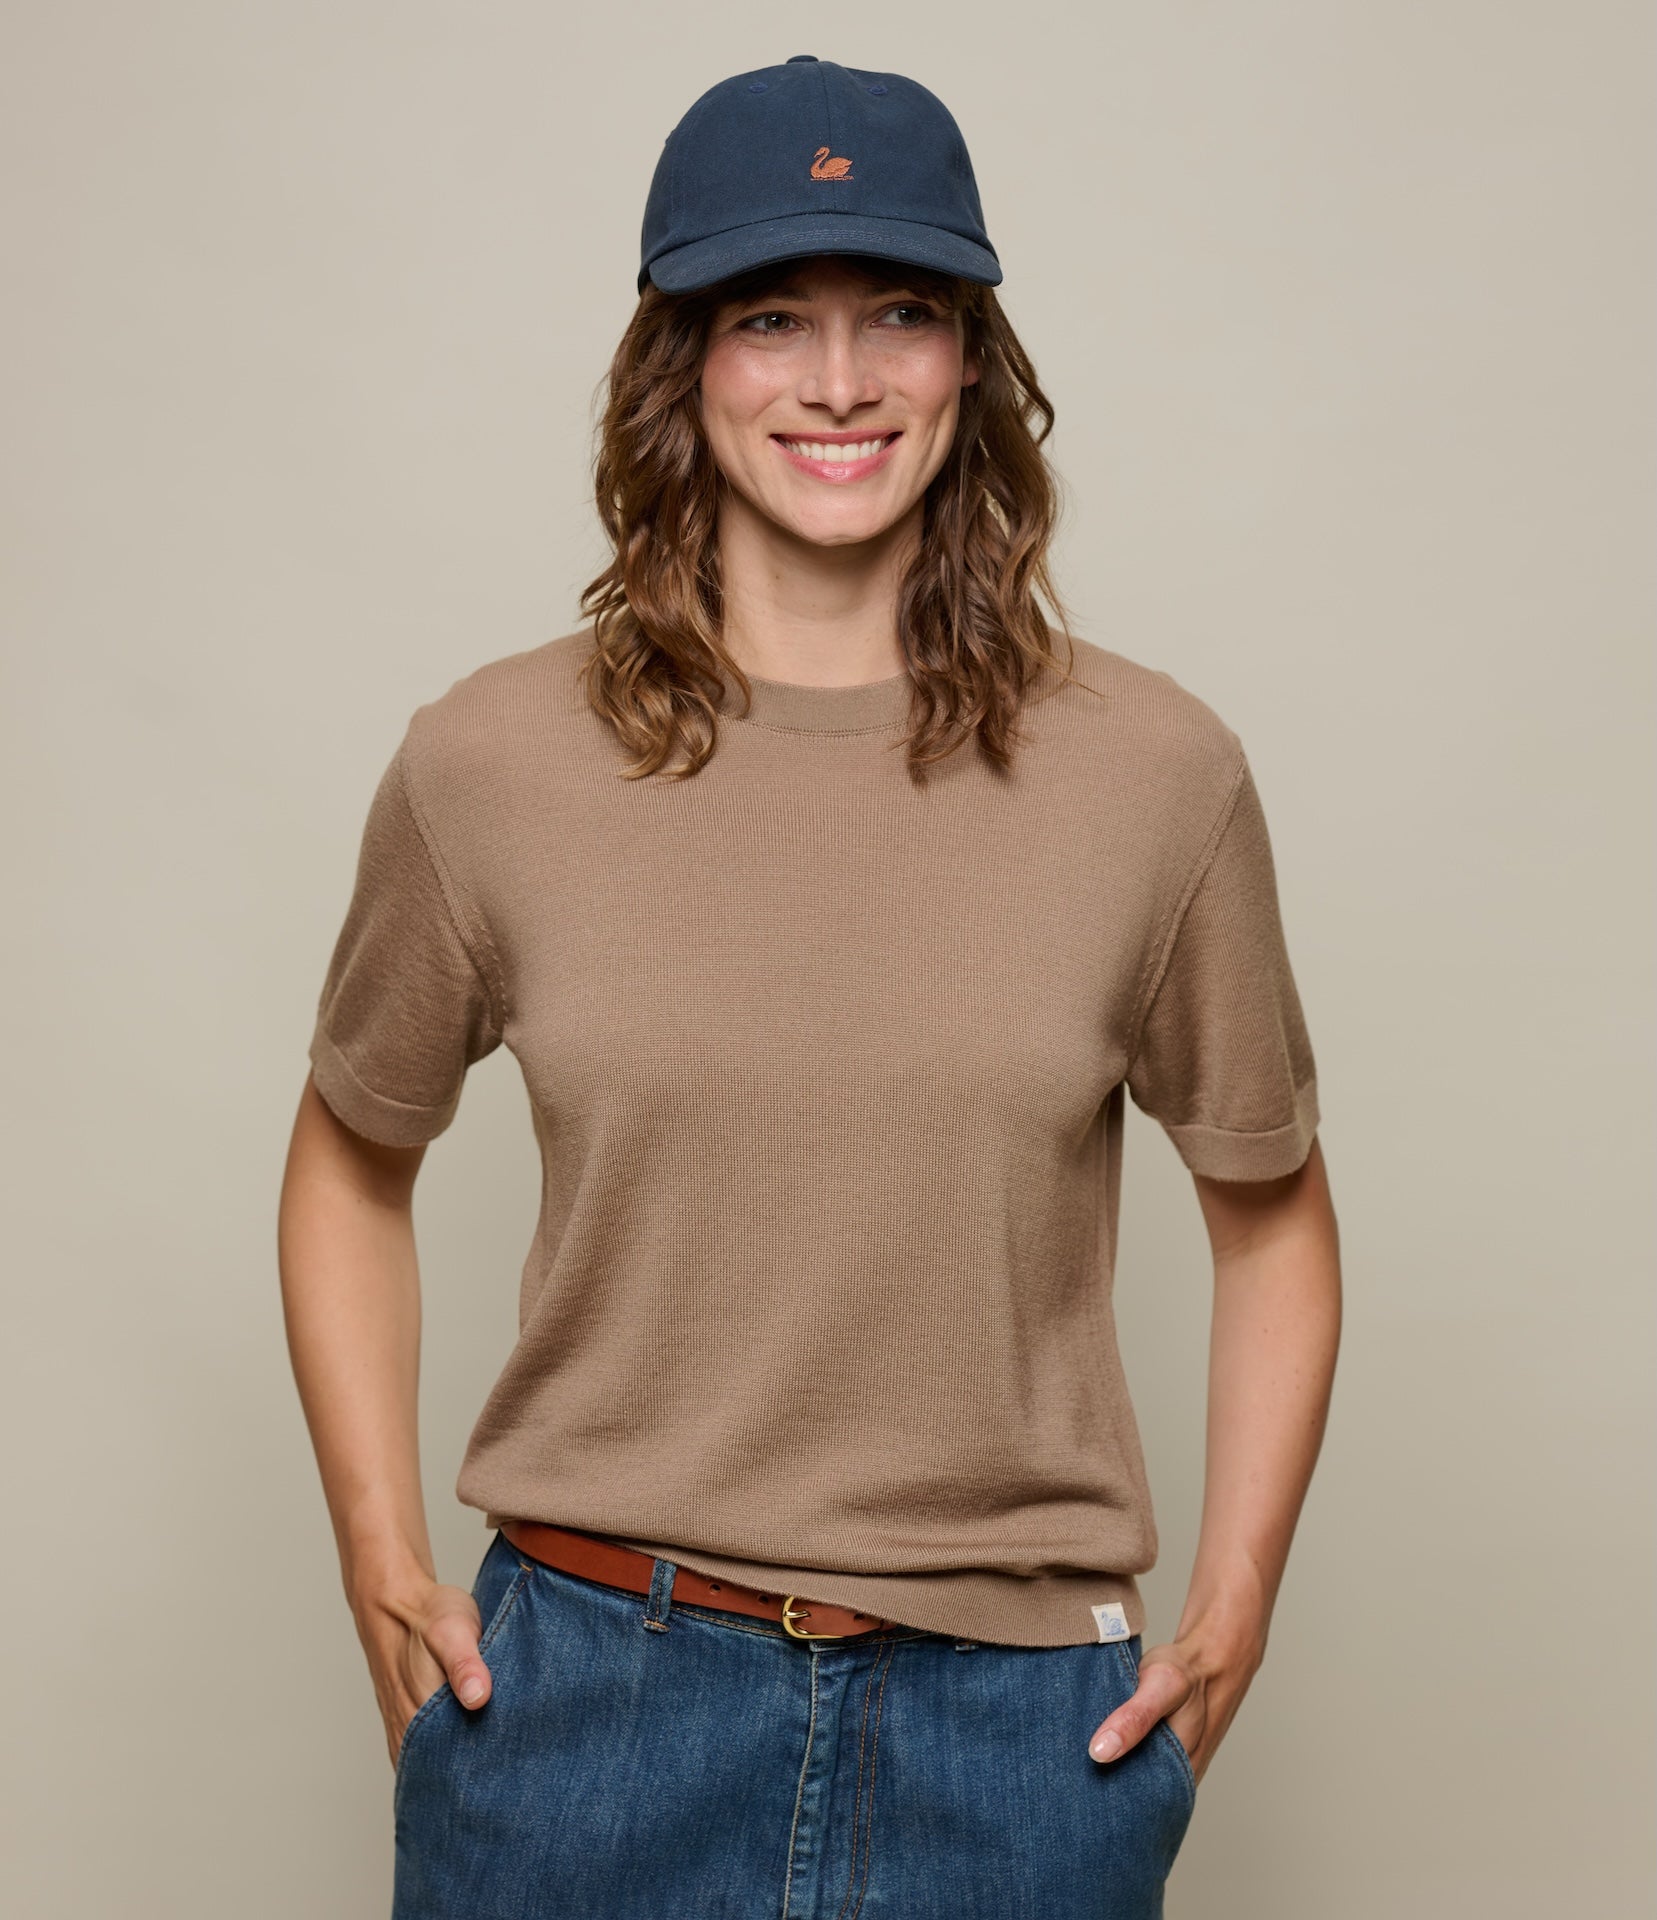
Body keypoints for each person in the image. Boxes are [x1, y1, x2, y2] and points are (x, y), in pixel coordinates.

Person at [279, 51, 1342, 1920]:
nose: (839, 382)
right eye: (771, 316)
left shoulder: (1154, 778)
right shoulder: (491, 764)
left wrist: (1236, 1596)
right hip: (584, 1713)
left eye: (900, 316)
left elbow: (1270, 1222)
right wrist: (376, 1537)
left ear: (969, 362)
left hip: (1017, 1746)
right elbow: (348, 1163)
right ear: (680, 363)